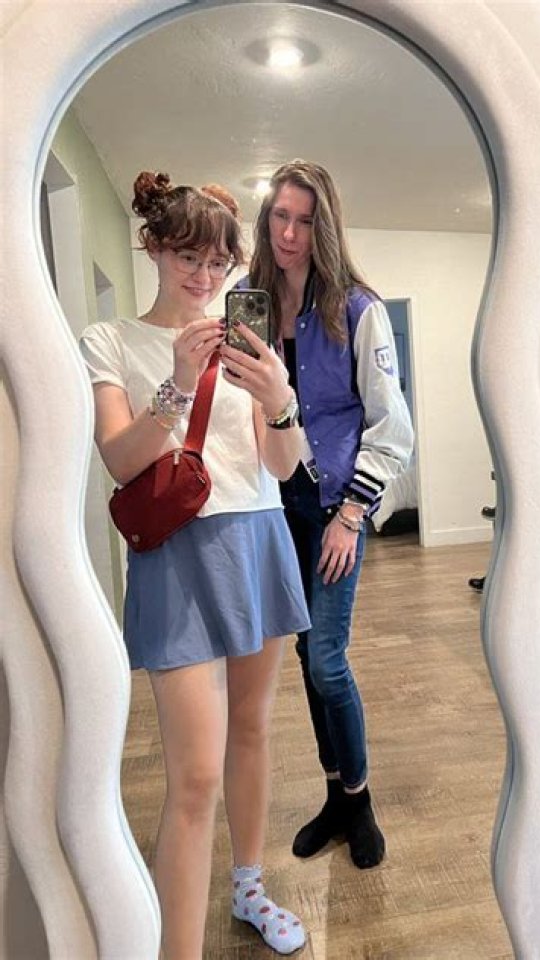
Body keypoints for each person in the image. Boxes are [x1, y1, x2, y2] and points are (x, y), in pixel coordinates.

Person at [79, 171, 310, 957]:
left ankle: (249, 886)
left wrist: (279, 397)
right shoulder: (110, 339)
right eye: (188, 256)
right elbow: (120, 460)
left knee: (252, 732)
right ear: (154, 247)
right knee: (195, 777)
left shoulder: (247, 338)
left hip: (259, 539)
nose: (205, 276)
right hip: (179, 555)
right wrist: (178, 384)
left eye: (218, 262)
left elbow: (282, 466)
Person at [237, 160, 414, 870]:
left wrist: (352, 515)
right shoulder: (248, 305)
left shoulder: (358, 309)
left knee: (329, 661)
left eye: (305, 220)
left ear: (325, 226)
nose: (289, 233)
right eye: (280, 216)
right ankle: (336, 795)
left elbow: (392, 425)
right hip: (273, 503)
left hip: (336, 505)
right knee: (307, 657)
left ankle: (360, 800)